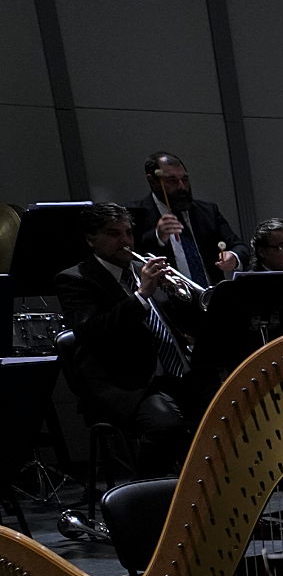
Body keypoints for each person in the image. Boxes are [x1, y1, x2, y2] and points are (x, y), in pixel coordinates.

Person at [54, 200, 199, 472]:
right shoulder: (76, 279)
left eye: (128, 233)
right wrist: (141, 295)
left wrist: (180, 296)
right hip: (126, 382)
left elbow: (186, 322)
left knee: (233, 410)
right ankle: (148, 497)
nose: (125, 241)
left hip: (176, 375)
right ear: (91, 239)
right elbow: (91, 332)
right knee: (166, 426)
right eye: (113, 234)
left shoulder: (140, 271)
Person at [131, 150, 238, 287]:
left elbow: (237, 246)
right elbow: (129, 255)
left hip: (212, 298)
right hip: (168, 302)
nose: (182, 187)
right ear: (153, 181)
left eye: (185, 179)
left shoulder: (207, 211)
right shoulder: (135, 213)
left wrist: (233, 257)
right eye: (172, 181)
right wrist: (157, 236)